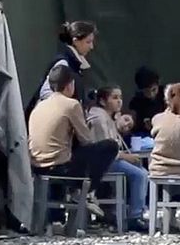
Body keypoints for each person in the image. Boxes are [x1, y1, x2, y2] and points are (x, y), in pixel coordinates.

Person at [28, 63, 119, 195]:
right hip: (60, 167)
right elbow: (86, 139)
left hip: (37, 166)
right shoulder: (71, 104)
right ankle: (86, 190)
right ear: (70, 84)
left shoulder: (39, 106)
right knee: (110, 146)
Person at [87, 86, 149, 233]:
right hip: (103, 163)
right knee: (139, 174)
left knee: (142, 170)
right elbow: (104, 150)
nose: (119, 101)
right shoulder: (98, 119)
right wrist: (126, 157)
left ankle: (136, 210)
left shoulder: (107, 117)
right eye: (114, 98)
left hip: (110, 159)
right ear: (103, 101)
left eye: (120, 97)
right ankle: (134, 217)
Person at [34, 20, 96, 104]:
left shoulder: (75, 65)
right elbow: (45, 93)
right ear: (75, 41)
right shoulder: (63, 63)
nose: (91, 47)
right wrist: (66, 106)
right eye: (88, 42)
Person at [130, 66, 165, 135]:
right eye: (146, 92)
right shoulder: (137, 100)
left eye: (154, 90)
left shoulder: (167, 95)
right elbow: (135, 124)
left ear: (158, 84)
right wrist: (143, 125)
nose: (151, 94)